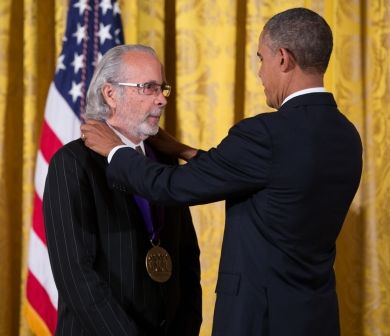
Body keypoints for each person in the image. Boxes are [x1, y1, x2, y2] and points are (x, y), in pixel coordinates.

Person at [81, 8, 363, 336]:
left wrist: (115, 149)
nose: (260, 73)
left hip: (259, 320)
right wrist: (184, 151)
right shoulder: (346, 135)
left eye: (262, 58)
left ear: (283, 59)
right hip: (317, 317)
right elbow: (271, 178)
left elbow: (170, 187)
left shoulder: (265, 134)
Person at [43, 44, 202, 336]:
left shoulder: (164, 161)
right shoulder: (72, 163)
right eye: (149, 88)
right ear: (111, 94)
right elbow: (75, 275)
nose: (162, 100)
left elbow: (187, 261)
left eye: (162, 88)